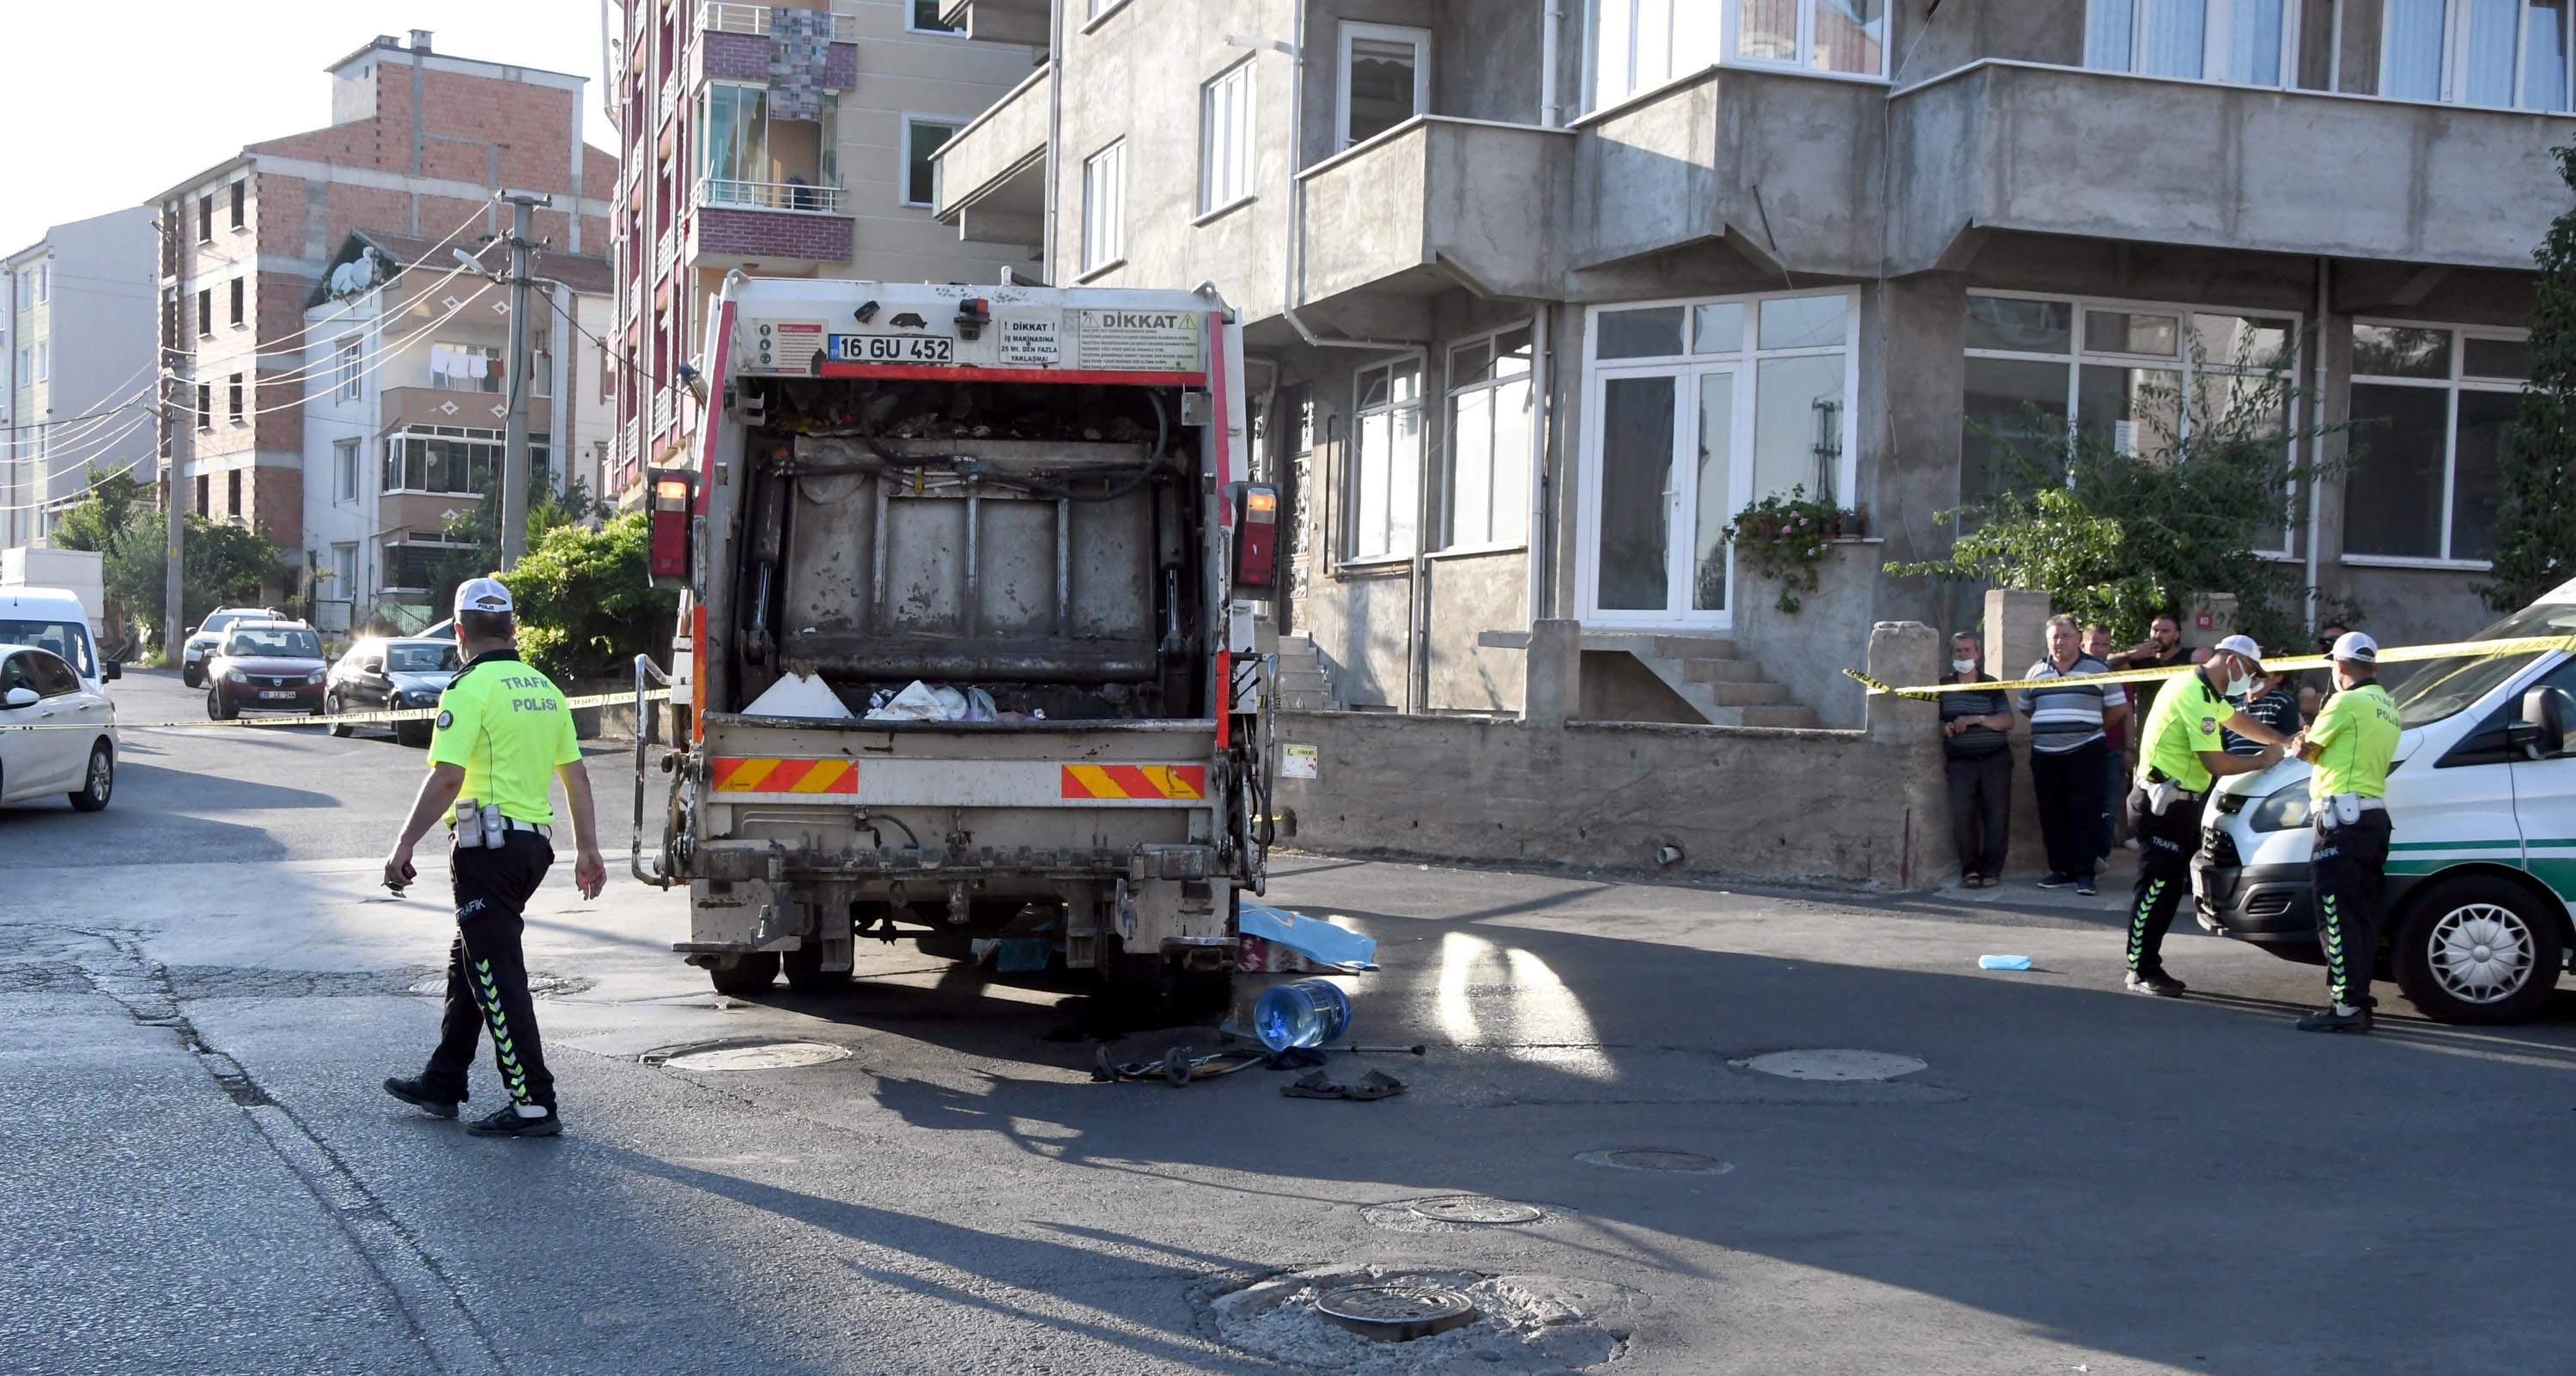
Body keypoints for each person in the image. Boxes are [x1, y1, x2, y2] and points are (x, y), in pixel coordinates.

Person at [381, 578, 608, 1137]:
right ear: (512, 629)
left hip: (489, 850)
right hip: (533, 849)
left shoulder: (467, 690)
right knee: (472, 955)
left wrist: (404, 842)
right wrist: (588, 850)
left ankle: (534, 1101)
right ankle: (444, 1079)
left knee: (494, 970)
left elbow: (448, 777)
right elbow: (575, 775)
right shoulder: (545, 689)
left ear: (460, 633)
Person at [2122, 634, 2293, 996]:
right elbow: (2214, 762)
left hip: (2178, 804)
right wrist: (2261, 760)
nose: (2250, 679)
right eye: (2249, 670)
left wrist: (2283, 741)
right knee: (2156, 889)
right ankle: (2140, 968)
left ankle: (2146, 964)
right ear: (2231, 661)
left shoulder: (2206, 692)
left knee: (2167, 890)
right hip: (2161, 805)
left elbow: (2240, 723)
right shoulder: (2194, 694)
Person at [2287, 633, 2403, 1033]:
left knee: (2335, 915)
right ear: (2375, 667)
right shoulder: (2388, 706)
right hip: (2372, 819)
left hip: (2341, 821)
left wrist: (2303, 739)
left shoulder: (2344, 701)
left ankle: (2347, 1007)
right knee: (2363, 915)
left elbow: (2307, 749)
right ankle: (2358, 1001)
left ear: (2338, 667)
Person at [2020, 615, 2127, 897]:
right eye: (2054, 636)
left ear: (2078, 639)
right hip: (2045, 753)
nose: (2059, 642)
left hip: (2087, 751)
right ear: (2047, 640)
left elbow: (2118, 709)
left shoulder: (2098, 669)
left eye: (2065, 636)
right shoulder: (2035, 671)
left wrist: (2090, 726)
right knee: (2051, 814)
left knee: (2086, 813)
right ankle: (2060, 870)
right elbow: (2026, 707)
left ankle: (2084, 874)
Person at [1941, 630, 2014, 888]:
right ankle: (1970, 870)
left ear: (1978, 654)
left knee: (1996, 815)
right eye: (1958, 651)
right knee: (1963, 814)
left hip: (1995, 759)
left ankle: (1992, 870)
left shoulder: (1990, 685)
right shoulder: (1942, 686)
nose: (1963, 655)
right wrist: (1946, 727)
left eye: (1967, 650)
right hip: (1961, 761)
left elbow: (2007, 721)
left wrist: (1975, 719)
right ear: (1951, 655)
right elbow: (1935, 719)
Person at [2083, 623, 2131, 855]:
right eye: (2095, 644)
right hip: (2081, 749)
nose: (2100, 649)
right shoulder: (2075, 674)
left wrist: (2129, 749)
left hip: (2112, 749)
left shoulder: (2119, 674)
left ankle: (2100, 857)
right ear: (2083, 645)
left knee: (2108, 807)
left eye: (2105, 645)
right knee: (2083, 805)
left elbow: (2127, 712)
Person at [2221, 654, 2300, 756]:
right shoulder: (2233, 703)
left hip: (2268, 768)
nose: (2252, 674)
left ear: (2278, 678)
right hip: (2235, 768)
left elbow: (2290, 744)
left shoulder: (2282, 702)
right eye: (2249, 669)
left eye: (2260, 671)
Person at [2299, 620, 2352, 721]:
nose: (2329, 644)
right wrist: (2341, 702)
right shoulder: (2314, 669)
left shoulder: (2356, 668)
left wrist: (2323, 698)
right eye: (2325, 641)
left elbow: (2358, 703)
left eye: (2334, 640)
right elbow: (2306, 704)